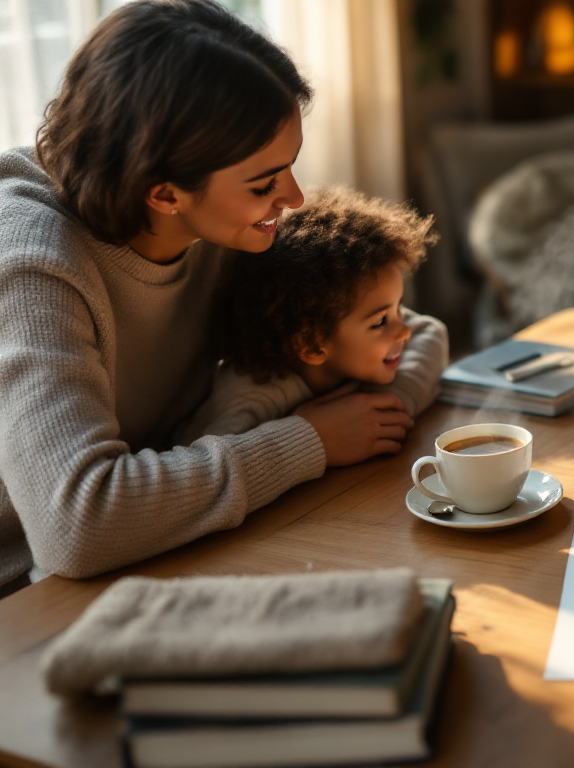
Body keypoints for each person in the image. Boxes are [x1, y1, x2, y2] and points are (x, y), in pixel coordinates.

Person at [0, 0, 416, 594]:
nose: (294, 198)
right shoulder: (29, 262)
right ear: (165, 194)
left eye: (289, 167)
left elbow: (391, 329)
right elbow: (78, 524)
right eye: (265, 182)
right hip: (26, 596)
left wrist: (375, 412)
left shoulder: (226, 222)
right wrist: (310, 441)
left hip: (158, 548)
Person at [177, 187, 448, 443]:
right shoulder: (253, 400)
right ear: (312, 345)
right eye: (380, 322)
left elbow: (431, 331)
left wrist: (390, 407)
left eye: (399, 308)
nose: (404, 330)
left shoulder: (352, 347)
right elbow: (221, 466)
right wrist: (304, 437)